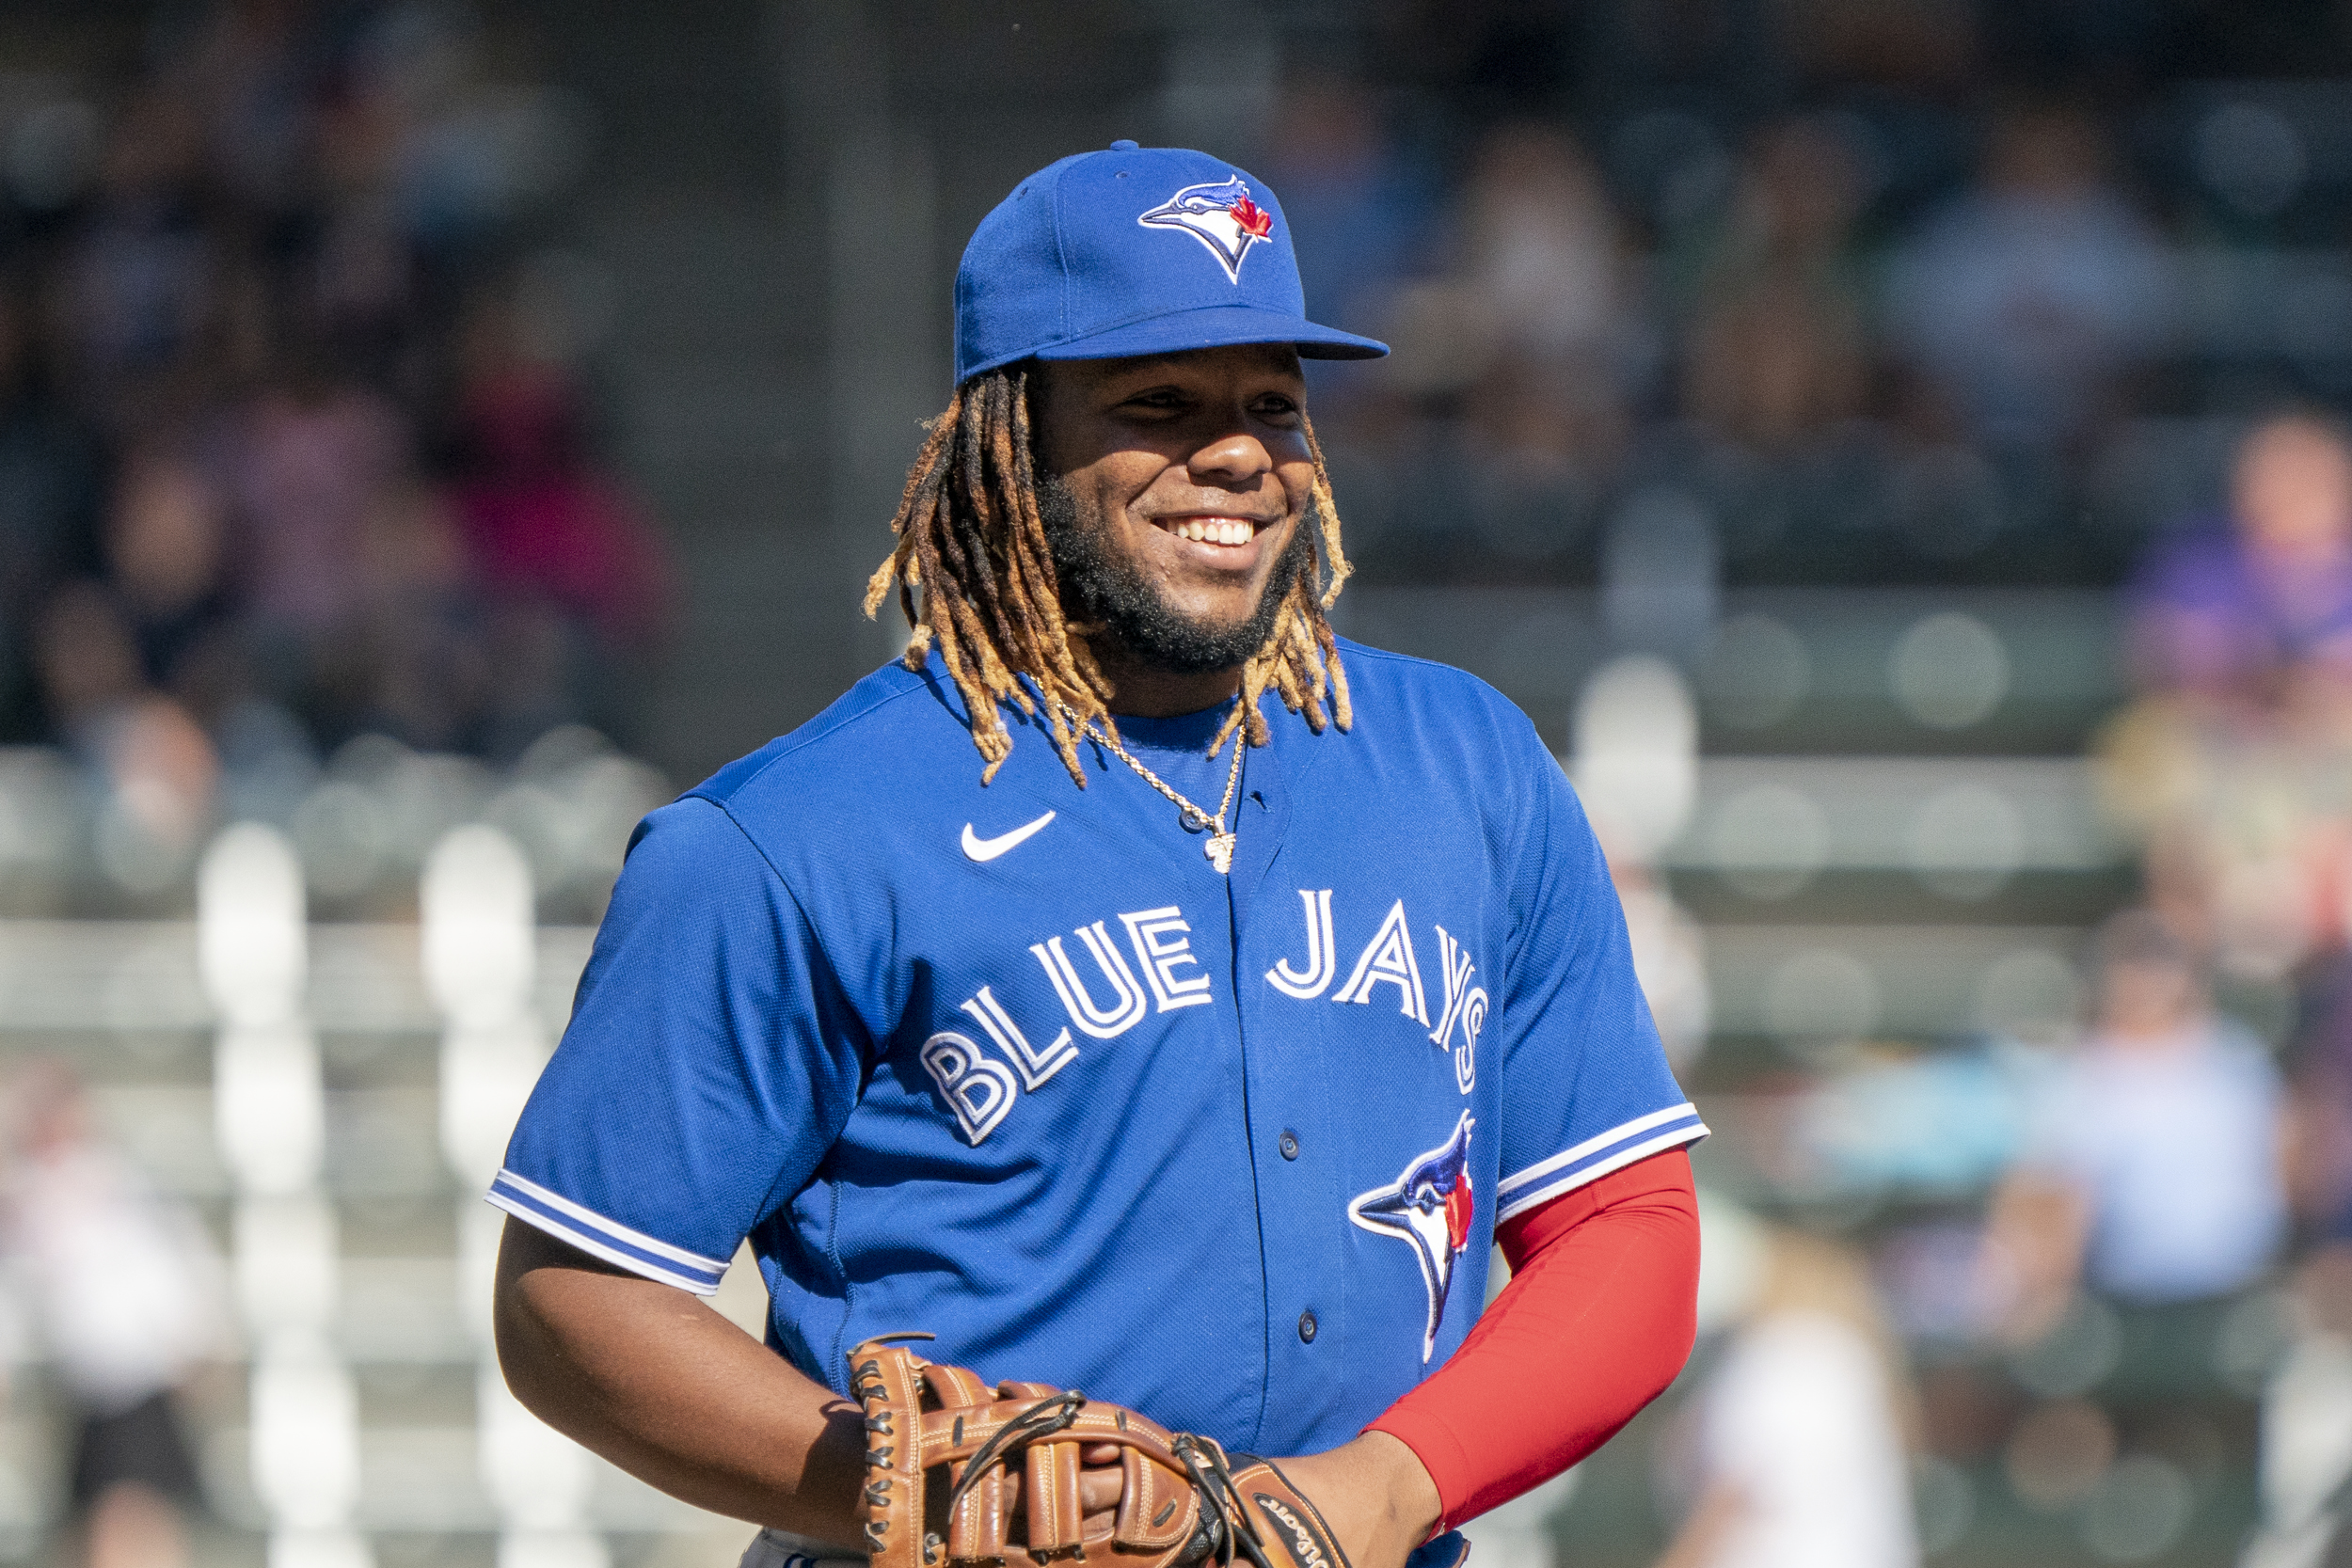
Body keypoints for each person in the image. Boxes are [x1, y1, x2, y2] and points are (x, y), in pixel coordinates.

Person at [486, 141, 1707, 1568]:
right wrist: (915, 1496)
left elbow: (1626, 1223)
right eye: (1161, 402)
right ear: (1011, 435)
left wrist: (1383, 1487)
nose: (1241, 453)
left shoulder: (1468, 765)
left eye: (1275, 404)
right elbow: (569, 1305)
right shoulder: (789, 838)